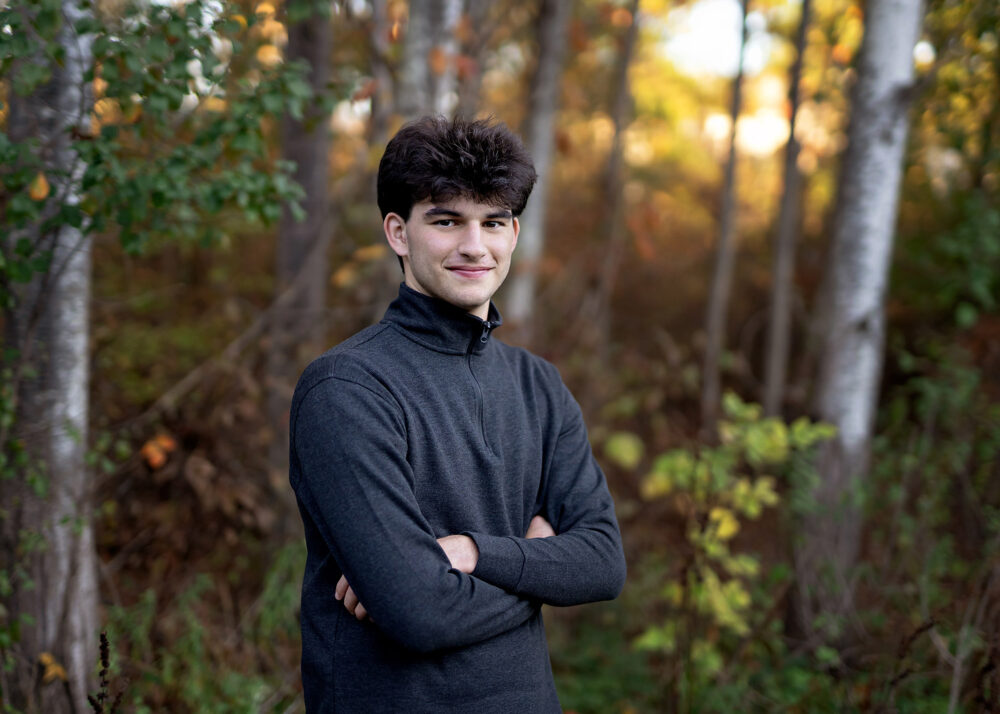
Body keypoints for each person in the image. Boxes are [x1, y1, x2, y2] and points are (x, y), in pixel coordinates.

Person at [289, 116, 627, 713]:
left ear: (514, 233)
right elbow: (419, 612)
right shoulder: (346, 389)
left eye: (492, 222)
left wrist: (473, 554)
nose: (475, 246)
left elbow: (602, 563)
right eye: (446, 221)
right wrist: (538, 561)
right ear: (398, 232)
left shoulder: (539, 385)